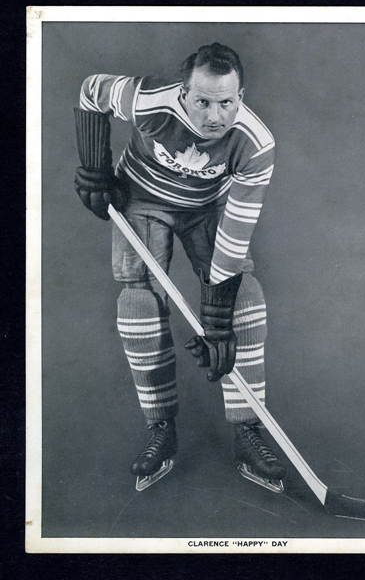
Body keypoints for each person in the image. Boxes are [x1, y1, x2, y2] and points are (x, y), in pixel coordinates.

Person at [74, 42, 286, 492]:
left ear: (241, 96)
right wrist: (95, 167)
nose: (214, 116)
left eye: (226, 102)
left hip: (205, 209)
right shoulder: (150, 100)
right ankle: (160, 429)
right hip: (142, 202)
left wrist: (217, 322)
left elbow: (236, 235)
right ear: (183, 93)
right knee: (138, 303)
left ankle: (248, 431)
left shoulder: (256, 143)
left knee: (243, 300)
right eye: (203, 101)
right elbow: (92, 91)